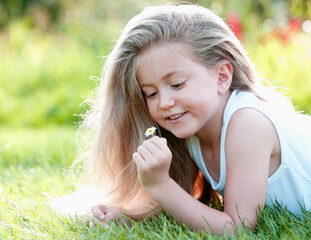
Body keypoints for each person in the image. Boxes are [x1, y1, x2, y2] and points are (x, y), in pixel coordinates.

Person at [53, 4, 311, 235]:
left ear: (222, 77)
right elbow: (194, 205)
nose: (163, 102)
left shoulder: (248, 123)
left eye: (177, 84)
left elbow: (237, 229)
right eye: (151, 93)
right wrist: (134, 216)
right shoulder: (191, 132)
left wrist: (161, 185)